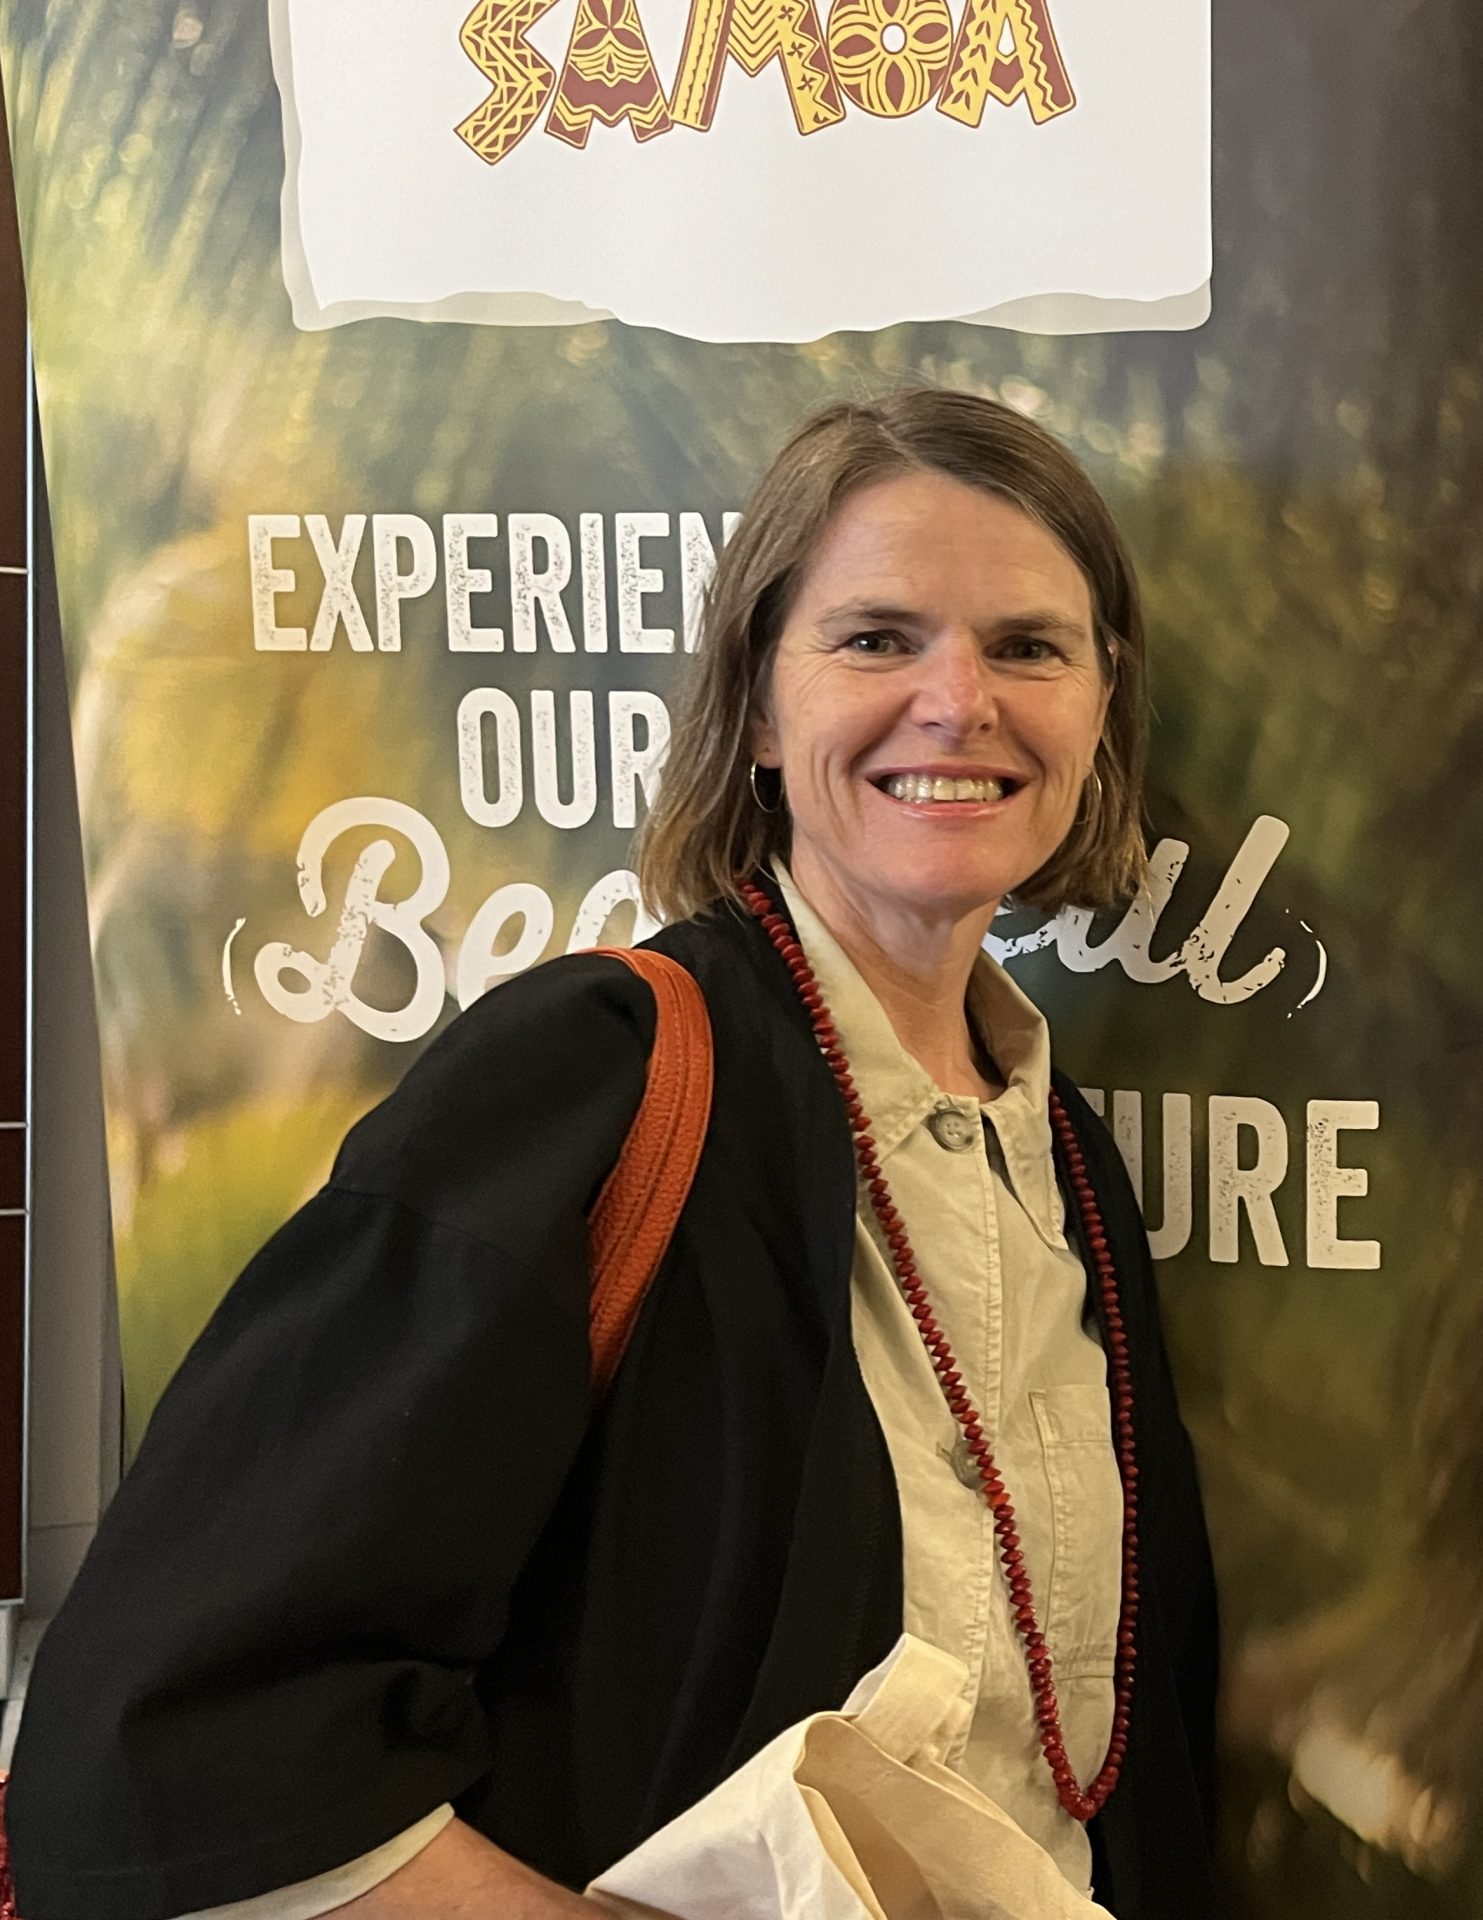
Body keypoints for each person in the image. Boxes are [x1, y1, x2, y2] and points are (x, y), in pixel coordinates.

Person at [9, 390, 1220, 1919]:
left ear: (1101, 708)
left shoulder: (1071, 1166)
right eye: (876, 638)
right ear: (758, 708)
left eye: (1030, 647)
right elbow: (174, 1730)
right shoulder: (593, 1074)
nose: (957, 700)